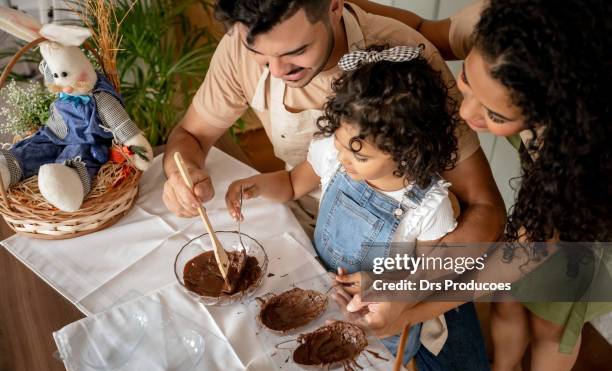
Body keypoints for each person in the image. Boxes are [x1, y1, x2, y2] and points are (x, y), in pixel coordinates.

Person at [337, 1, 612, 371]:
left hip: (583, 224)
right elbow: (420, 26)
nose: (465, 114)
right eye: (466, 80)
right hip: (547, 205)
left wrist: (407, 307)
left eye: (495, 114)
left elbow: (514, 258)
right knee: (514, 295)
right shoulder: (510, 30)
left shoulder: (588, 169)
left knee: (554, 318)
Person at [226, 45, 497, 371]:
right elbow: (292, 184)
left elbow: (429, 275)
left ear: (407, 151)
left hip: (380, 312)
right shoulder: (333, 157)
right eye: (339, 145)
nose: (344, 160)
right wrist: (257, 184)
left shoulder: (430, 207)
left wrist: (382, 284)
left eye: (360, 155)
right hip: (321, 282)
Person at [161, 0, 505, 242]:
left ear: (335, 6)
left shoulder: (404, 61)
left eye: (294, 51)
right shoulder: (240, 46)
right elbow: (190, 135)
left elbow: (486, 209)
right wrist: (183, 173)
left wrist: (406, 290)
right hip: (303, 223)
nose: (278, 71)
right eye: (261, 56)